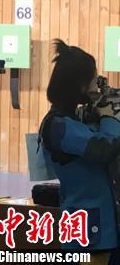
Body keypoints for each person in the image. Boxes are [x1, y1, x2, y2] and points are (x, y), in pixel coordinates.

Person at [40, 39, 120, 265]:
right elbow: (105, 148)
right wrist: (109, 116)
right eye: (93, 80)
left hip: (102, 230)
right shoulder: (58, 126)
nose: (96, 86)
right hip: (88, 233)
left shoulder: (74, 121)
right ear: (81, 85)